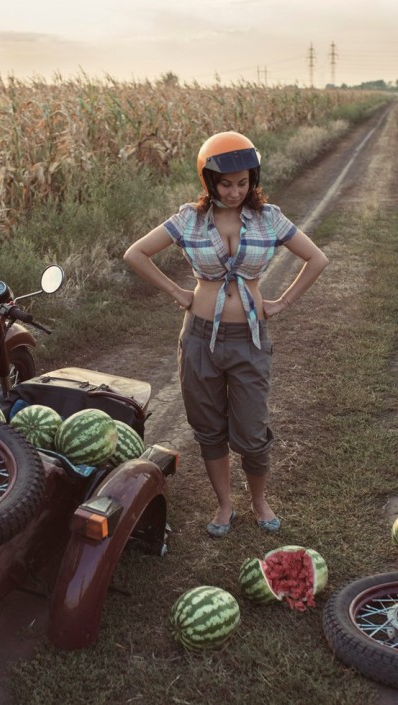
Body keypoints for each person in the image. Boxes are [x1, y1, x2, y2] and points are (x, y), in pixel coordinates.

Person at [124, 131, 328, 536]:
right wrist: (179, 292)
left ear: (253, 180)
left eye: (243, 182)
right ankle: (224, 505)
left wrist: (281, 303)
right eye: (226, 183)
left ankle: (259, 500)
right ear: (209, 181)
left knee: (252, 430)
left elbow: (316, 258)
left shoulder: (270, 217)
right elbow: (135, 253)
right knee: (209, 426)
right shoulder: (189, 219)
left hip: (250, 338)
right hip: (200, 338)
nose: (235, 191)